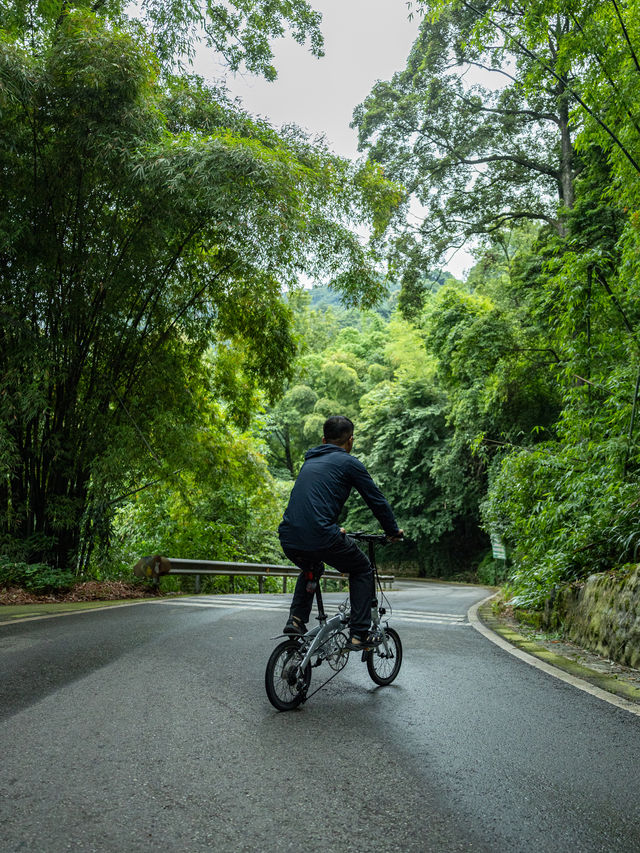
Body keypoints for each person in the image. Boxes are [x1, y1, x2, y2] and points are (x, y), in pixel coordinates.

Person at [278, 415, 403, 650]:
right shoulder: (350, 463)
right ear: (350, 441)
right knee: (362, 569)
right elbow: (376, 500)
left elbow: (311, 505)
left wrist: (333, 528)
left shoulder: (310, 462)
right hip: (322, 534)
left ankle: (295, 619)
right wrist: (392, 531)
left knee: (312, 567)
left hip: (288, 535)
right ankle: (359, 634)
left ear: (324, 440)